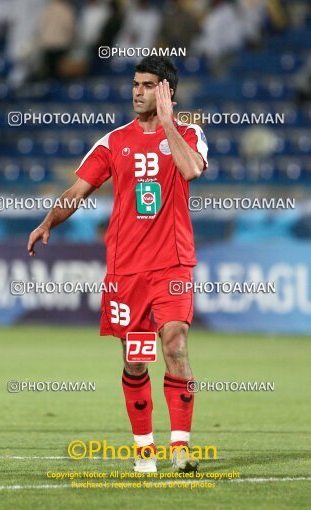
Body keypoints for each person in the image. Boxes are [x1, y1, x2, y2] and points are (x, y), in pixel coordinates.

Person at [27, 56, 208, 473]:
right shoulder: (113, 142)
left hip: (173, 265)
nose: (136, 91)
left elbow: (192, 170)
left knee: (177, 343)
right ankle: (145, 452)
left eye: (147, 85)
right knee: (136, 358)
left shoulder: (189, 134)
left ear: (167, 92)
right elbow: (78, 189)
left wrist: (166, 123)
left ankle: (180, 449)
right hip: (126, 271)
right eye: (135, 83)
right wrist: (47, 221)